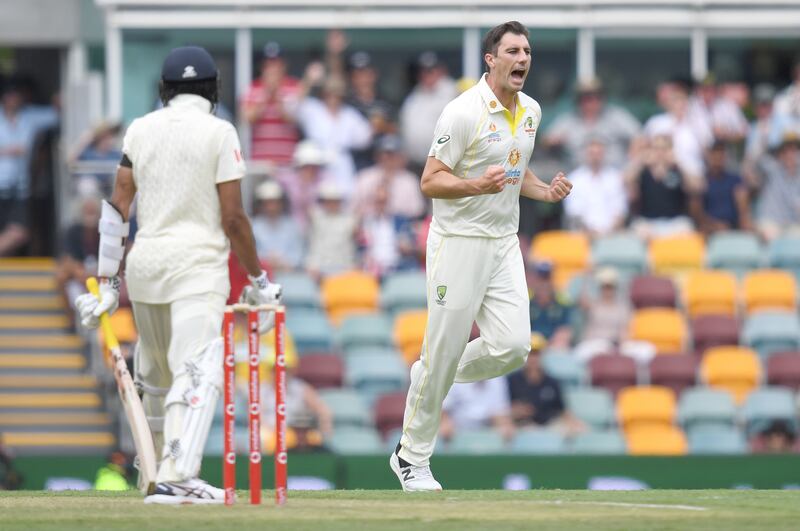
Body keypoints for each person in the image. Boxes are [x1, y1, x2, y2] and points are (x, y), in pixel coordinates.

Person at [73, 46, 282, 504]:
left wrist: (107, 283)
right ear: (214, 90)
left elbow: (118, 206)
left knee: (160, 376)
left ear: (165, 90)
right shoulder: (219, 131)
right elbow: (233, 218)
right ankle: (177, 476)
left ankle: (157, 471)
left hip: (146, 266)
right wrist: (260, 280)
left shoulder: (141, 129)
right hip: (198, 268)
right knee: (197, 369)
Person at [390, 22, 572, 492]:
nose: (523, 58)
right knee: (445, 349)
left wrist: (543, 192)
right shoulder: (461, 112)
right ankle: (411, 457)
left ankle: (434, 369)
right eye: (512, 50)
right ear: (490, 59)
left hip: (503, 241)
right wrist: (475, 185)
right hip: (458, 242)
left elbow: (515, 166)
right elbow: (430, 180)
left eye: (528, 51)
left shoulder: (530, 110)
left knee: (513, 348)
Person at [0, 80, 58, 256]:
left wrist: (60, 100)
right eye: (10, 96)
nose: (13, 99)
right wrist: (7, 150)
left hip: (20, 186)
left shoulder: (30, 117)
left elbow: (56, 116)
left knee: (20, 232)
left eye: (16, 96)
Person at [296, 76, 372, 198]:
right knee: (316, 199)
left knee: (345, 197)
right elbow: (293, 108)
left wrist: (375, 125)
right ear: (323, 94)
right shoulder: (313, 109)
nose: (333, 98)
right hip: (316, 163)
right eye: (329, 94)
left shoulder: (349, 114)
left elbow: (364, 139)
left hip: (342, 164)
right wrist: (308, 81)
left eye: (337, 94)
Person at [543, 78, 641, 170]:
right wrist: (554, 142)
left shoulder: (616, 116)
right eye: (585, 98)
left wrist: (632, 160)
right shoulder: (568, 120)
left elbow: (639, 137)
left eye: (595, 97)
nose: (590, 102)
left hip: (615, 175)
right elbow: (547, 140)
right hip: (577, 176)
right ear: (578, 100)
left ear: (602, 98)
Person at [507, 334, 585, 436]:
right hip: (522, 425)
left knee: (576, 430)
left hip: (550, 425)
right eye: (530, 354)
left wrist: (574, 423)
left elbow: (561, 409)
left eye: (537, 353)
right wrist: (516, 411)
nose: (533, 358)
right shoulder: (512, 381)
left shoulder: (552, 382)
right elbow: (502, 410)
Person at [240, 42, 303, 168]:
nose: (273, 68)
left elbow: (295, 118)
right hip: (260, 161)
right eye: (268, 64)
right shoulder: (253, 88)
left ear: (283, 66)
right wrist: (266, 95)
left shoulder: (294, 86)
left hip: (288, 161)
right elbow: (247, 118)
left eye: (276, 64)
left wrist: (277, 97)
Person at [625, 135, 696, 240]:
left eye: (664, 149)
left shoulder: (677, 170)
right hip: (648, 222)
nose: (660, 152)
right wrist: (640, 161)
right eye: (656, 148)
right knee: (635, 233)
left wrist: (680, 164)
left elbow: (696, 187)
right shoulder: (643, 171)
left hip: (675, 222)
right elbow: (626, 180)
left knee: (687, 230)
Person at [399, 51, 458, 173]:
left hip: (445, 164)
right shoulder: (415, 96)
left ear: (441, 71)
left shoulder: (453, 92)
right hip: (416, 163)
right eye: (424, 71)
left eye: (431, 70)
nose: (427, 75)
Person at [563, 137, 628, 237]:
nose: (595, 157)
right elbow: (574, 213)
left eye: (599, 153)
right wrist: (590, 233)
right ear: (585, 154)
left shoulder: (616, 178)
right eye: (592, 153)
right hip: (581, 236)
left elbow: (620, 211)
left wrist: (608, 232)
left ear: (604, 154)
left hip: (612, 235)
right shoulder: (574, 179)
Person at [352, 134, 426, 220]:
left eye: (392, 154)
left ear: (401, 156)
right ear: (377, 155)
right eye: (385, 153)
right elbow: (353, 208)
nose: (388, 158)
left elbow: (417, 211)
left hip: (400, 226)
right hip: (368, 225)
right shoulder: (364, 177)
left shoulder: (410, 180)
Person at [55, 195, 101, 329]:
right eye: (87, 210)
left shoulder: (104, 231)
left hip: (102, 275)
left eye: (93, 210)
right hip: (80, 275)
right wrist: (81, 273)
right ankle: (71, 320)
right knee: (60, 276)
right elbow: (67, 259)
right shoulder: (72, 231)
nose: (90, 214)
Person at [689, 140, 752, 235]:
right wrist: (713, 225)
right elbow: (697, 212)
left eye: (721, 154)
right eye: (715, 154)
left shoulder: (735, 180)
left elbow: (743, 210)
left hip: (733, 226)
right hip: (709, 229)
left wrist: (743, 222)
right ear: (709, 156)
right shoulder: (702, 181)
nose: (718, 157)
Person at [751, 132, 800, 239]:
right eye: (786, 151)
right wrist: (771, 144)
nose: (790, 154)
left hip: (792, 225)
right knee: (769, 234)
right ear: (780, 154)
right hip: (771, 223)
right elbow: (756, 160)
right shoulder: (772, 169)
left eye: (794, 150)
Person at [305, 181, 358, 279]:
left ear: (340, 202)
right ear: (323, 202)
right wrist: (312, 266)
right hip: (319, 270)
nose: (331, 204)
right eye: (328, 201)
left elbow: (351, 248)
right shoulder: (316, 218)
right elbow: (315, 246)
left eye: (335, 200)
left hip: (344, 269)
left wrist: (351, 269)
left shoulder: (350, 220)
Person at [439, 378, 515, 444]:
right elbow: (444, 410)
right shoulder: (455, 377)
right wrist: (445, 422)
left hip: (488, 433)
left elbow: (502, 414)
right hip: (457, 432)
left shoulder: (498, 380)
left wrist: (504, 424)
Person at [251, 180, 304, 271]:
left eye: (275, 202)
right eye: (267, 203)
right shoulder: (253, 226)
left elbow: (299, 254)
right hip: (262, 275)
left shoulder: (292, 226)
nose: (271, 207)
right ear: (260, 205)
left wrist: (285, 262)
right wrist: (267, 261)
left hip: (289, 274)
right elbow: (250, 254)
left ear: (281, 203)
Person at [528, 261, 573, 349]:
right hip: (530, 344)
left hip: (553, 344)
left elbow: (565, 329)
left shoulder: (562, 302)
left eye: (547, 278)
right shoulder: (527, 301)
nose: (544, 283)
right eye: (541, 279)